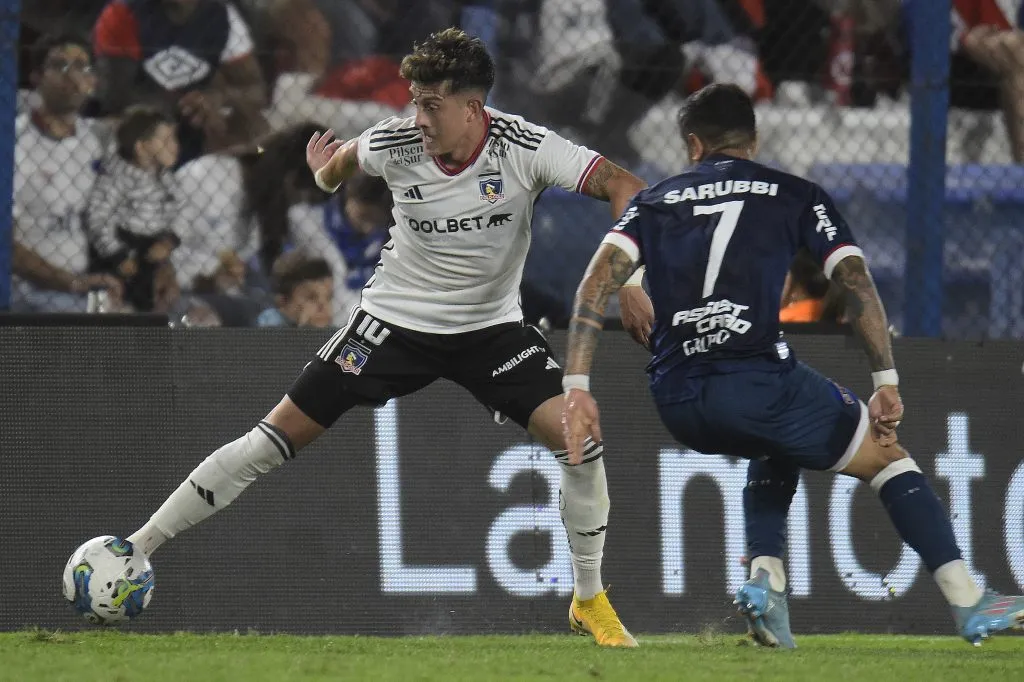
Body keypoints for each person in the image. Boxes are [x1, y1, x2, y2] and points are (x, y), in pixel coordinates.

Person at [116, 28, 648, 647]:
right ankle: (137, 547)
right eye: (414, 100)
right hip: (392, 322)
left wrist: (630, 279)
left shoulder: (524, 146)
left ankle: (589, 599)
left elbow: (625, 186)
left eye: (430, 104)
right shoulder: (395, 141)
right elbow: (333, 170)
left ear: (473, 109)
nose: (416, 117)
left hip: (491, 330)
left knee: (581, 440)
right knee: (271, 439)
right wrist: (322, 174)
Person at [561, 83, 1024, 648]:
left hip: (676, 395)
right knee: (887, 459)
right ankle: (968, 600)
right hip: (756, 379)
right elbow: (854, 283)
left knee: (776, 441)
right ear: (753, 140)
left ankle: (766, 582)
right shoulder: (796, 194)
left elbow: (595, 283)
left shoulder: (654, 200)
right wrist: (886, 382)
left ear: (693, 145)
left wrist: (578, 385)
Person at [12, 32, 122, 312]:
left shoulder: (97, 140)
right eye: (60, 65)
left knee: (171, 317)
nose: (73, 76)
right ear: (36, 77)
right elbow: (7, 245)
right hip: (28, 289)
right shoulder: (14, 142)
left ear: (93, 81)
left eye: (82, 66)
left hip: (87, 285)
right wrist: (71, 282)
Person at [92, 0, 268, 165]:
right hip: (142, 128)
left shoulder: (223, 15)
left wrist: (219, 98)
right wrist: (188, 105)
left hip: (197, 126)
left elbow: (256, 90)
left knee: (256, 130)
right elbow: (115, 98)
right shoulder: (123, 12)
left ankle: (249, 165)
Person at [87, 106, 183, 312]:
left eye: (174, 139)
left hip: (152, 249)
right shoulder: (116, 178)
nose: (175, 146)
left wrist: (169, 240)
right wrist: (117, 256)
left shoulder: (167, 178)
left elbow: (181, 213)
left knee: (151, 307)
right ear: (141, 147)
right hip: (118, 249)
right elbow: (98, 218)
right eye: (165, 140)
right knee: (110, 307)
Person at [256, 252, 334, 328]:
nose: (323, 306)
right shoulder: (269, 325)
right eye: (311, 298)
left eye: (328, 298)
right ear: (282, 302)